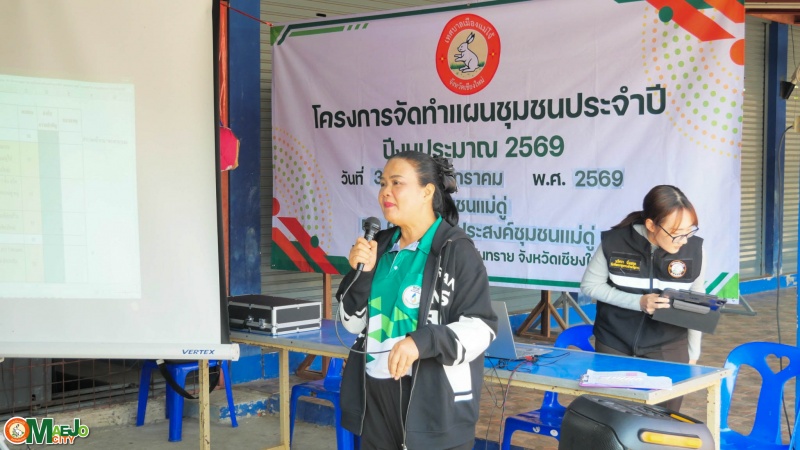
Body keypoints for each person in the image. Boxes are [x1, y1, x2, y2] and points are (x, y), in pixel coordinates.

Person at [337, 151, 497, 450]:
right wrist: (362, 276)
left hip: (434, 405)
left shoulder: (456, 249)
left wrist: (420, 342)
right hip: (376, 399)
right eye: (383, 183)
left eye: (397, 183)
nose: (385, 192)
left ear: (427, 192)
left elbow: (482, 328)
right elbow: (351, 324)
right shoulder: (380, 245)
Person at [580, 185, 705, 412]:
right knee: (615, 415)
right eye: (676, 233)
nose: (684, 240)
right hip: (614, 342)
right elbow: (590, 285)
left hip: (668, 346)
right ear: (651, 225)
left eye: (689, 231)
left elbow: (697, 302)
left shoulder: (694, 250)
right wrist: (638, 302)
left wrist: (693, 353)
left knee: (664, 419)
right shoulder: (615, 242)